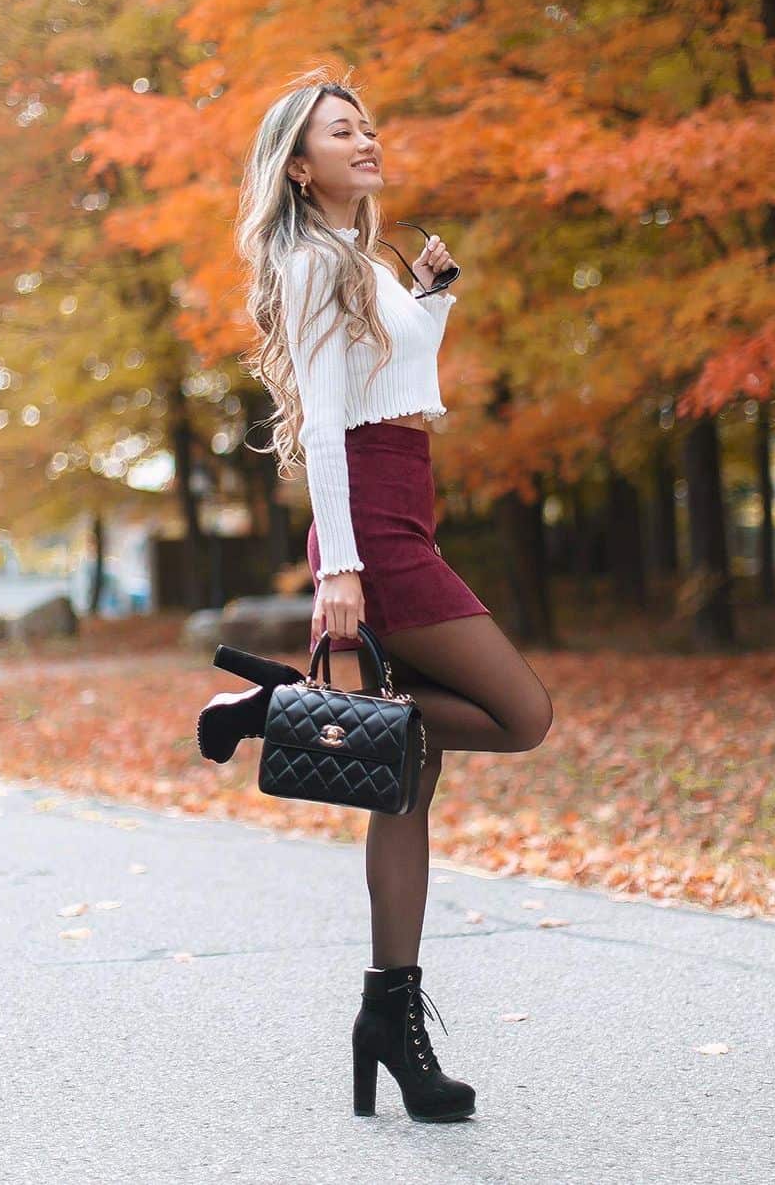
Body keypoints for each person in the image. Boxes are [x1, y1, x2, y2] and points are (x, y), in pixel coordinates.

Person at [198, 67, 554, 1123]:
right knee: (522, 715)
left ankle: (387, 1019)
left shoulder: (363, 256)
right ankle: (279, 710)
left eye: (366, 125)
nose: (364, 139)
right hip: (377, 531)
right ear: (298, 165)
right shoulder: (312, 261)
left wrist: (431, 305)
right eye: (337, 131)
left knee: (404, 765)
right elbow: (324, 426)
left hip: (402, 508)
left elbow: (397, 387)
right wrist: (340, 567)